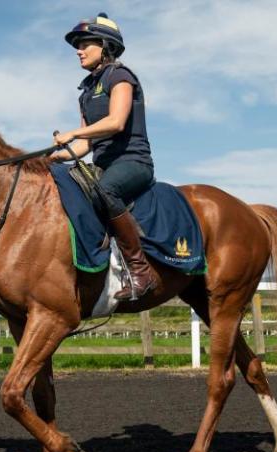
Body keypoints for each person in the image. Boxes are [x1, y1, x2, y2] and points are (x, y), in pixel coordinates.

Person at [51, 12, 157, 301]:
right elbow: (86, 144)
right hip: (103, 164)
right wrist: (53, 158)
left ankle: (140, 271)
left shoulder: (120, 76)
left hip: (133, 163)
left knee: (105, 189)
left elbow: (116, 122)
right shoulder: (86, 90)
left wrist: (72, 134)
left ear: (105, 45)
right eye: (78, 45)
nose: (79, 50)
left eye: (85, 43)